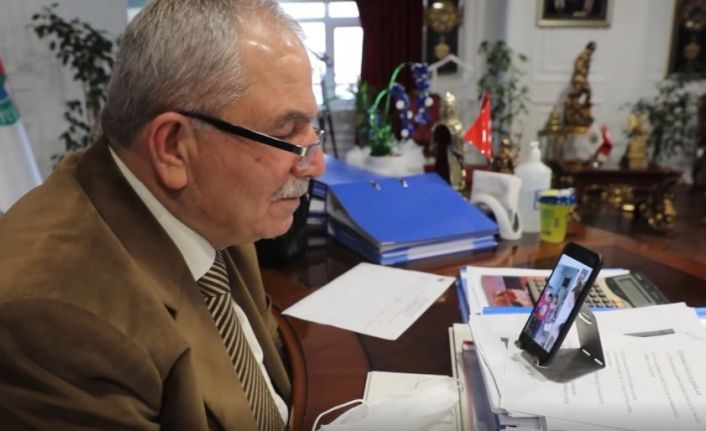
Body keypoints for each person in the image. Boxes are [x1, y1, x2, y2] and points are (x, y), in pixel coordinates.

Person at [0, 1, 325, 430]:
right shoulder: (54, 321)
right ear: (173, 147)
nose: (315, 165)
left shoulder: (216, 208)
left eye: (312, 131)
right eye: (285, 134)